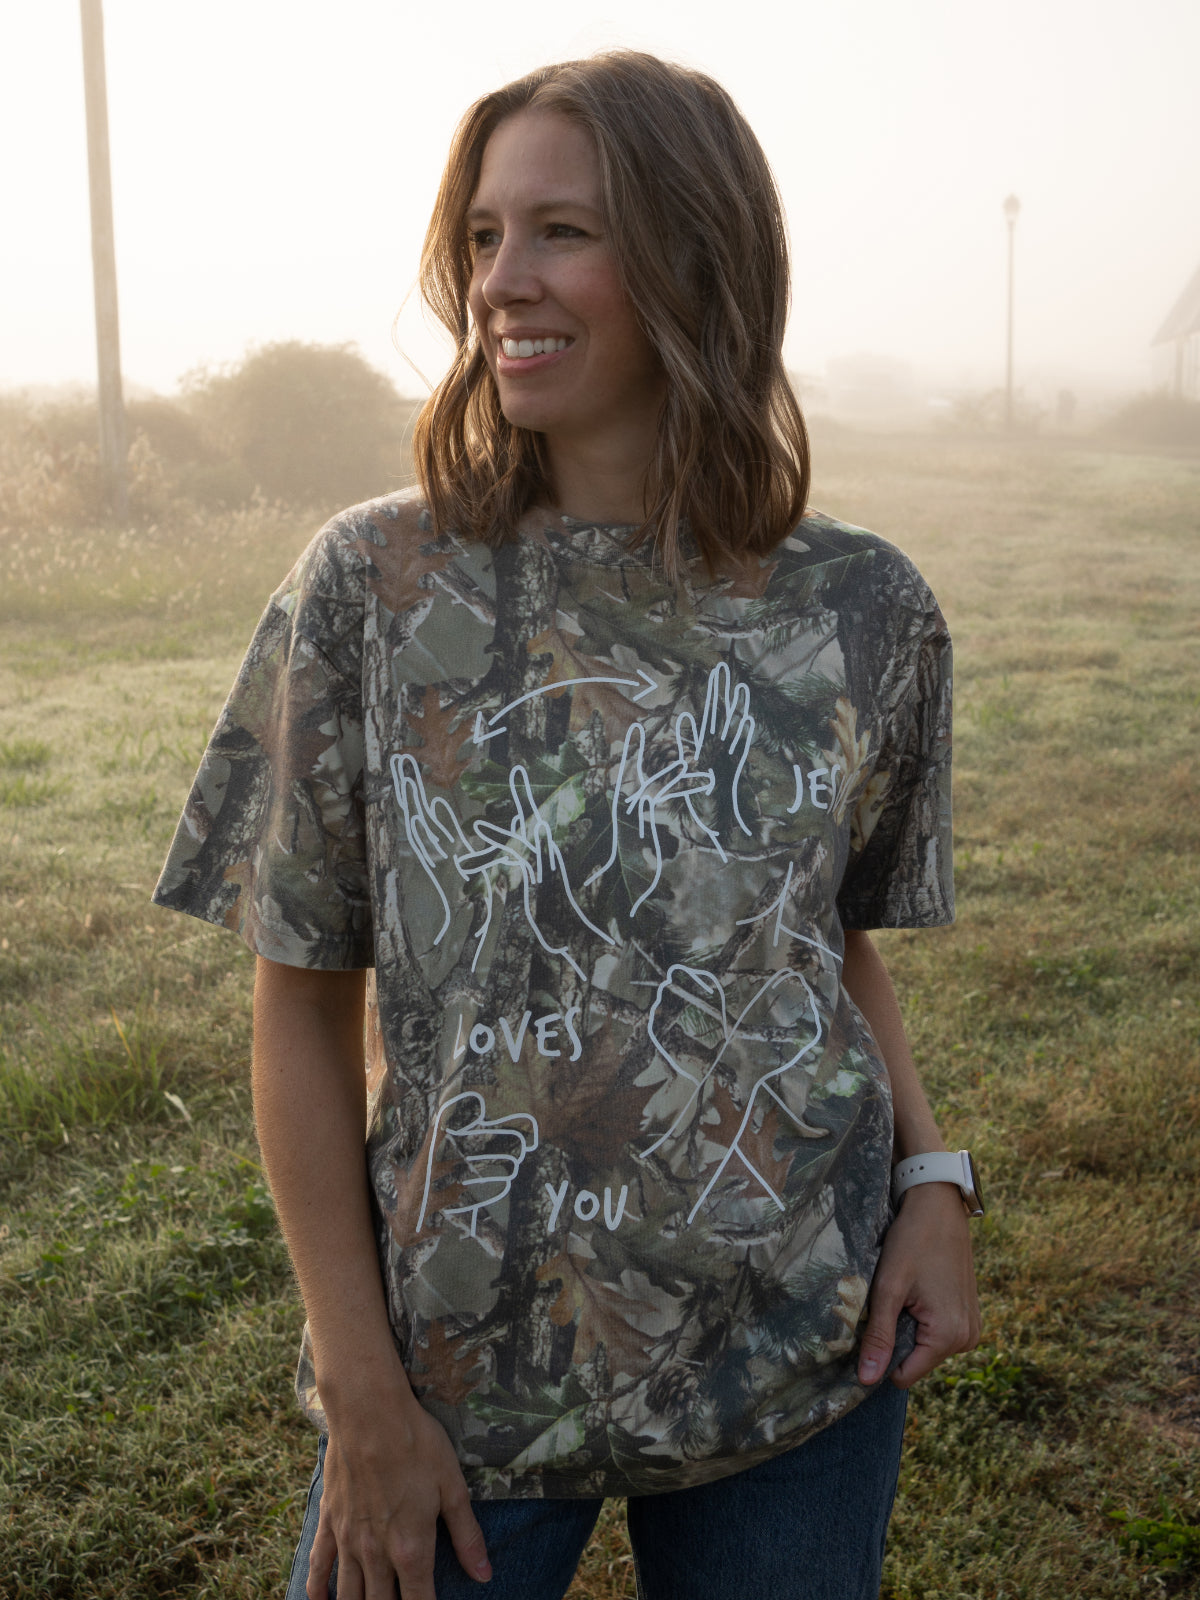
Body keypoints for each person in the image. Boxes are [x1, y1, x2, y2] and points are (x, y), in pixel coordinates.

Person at [154, 49, 981, 1600]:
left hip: (794, 1357)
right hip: (457, 1377)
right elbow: (298, 1010)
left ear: (695, 260)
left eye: (563, 233)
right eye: (481, 236)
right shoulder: (374, 591)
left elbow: (821, 944)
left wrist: (933, 1184)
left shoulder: (862, 608)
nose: (500, 282)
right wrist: (362, 1395)